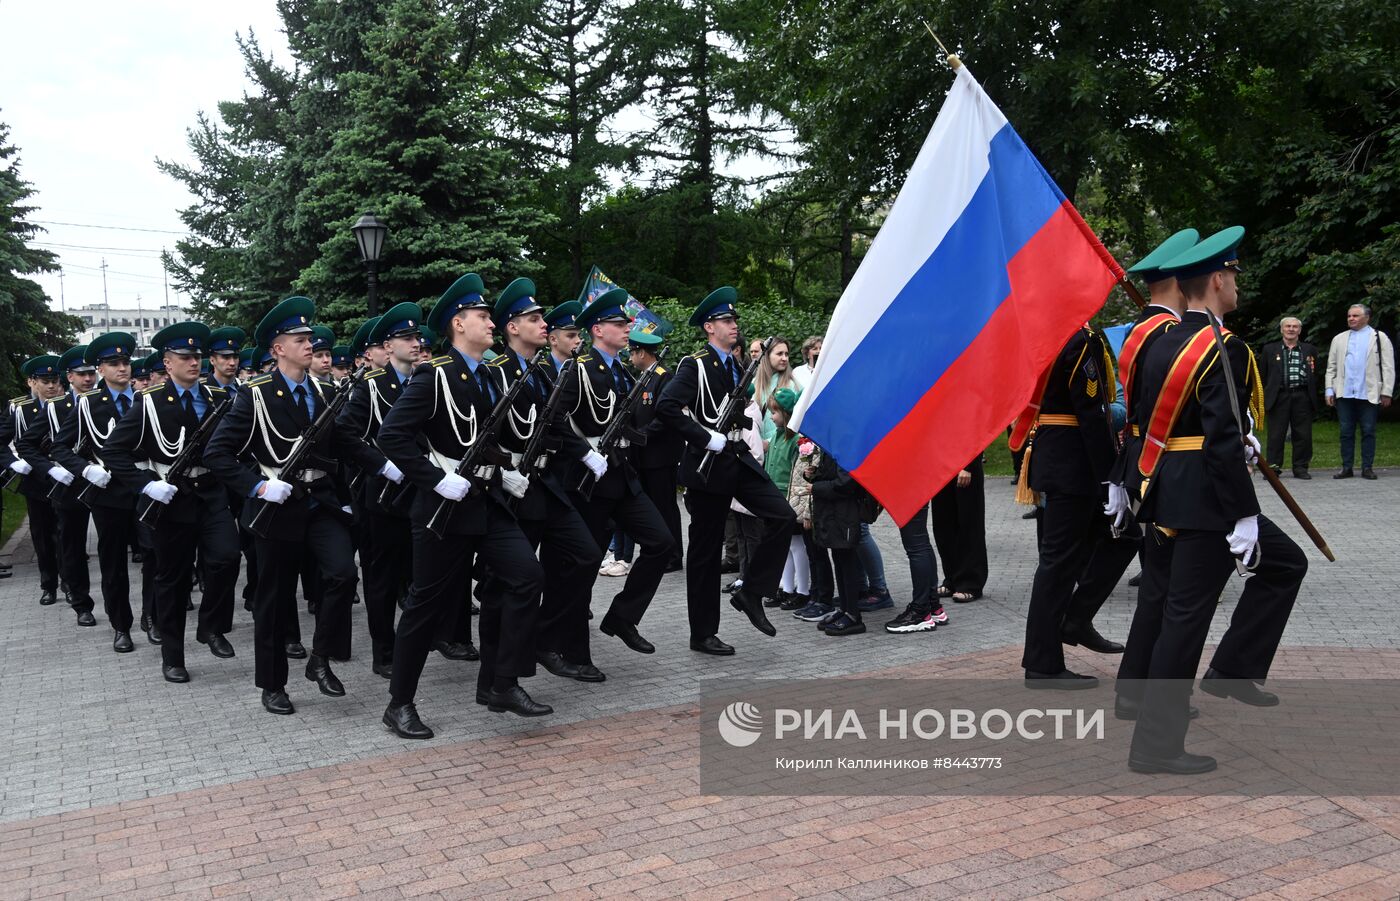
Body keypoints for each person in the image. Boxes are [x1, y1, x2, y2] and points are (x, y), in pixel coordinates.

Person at [1128, 226, 1307, 775]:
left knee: (1178, 610)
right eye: (1232, 275)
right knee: (1185, 620)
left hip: (1161, 488)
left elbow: (1150, 424)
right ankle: (1157, 745)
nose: (1236, 284)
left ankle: (1226, 674)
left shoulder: (1157, 339)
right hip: (1207, 498)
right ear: (1216, 279)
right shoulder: (1219, 344)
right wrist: (1245, 514)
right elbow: (1222, 441)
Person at [375, 273, 549, 738]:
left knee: (526, 577)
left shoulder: (492, 376)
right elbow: (392, 434)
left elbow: (489, 436)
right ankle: (400, 704)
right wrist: (435, 479)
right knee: (424, 608)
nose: (492, 322)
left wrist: (506, 469)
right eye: (483, 315)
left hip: (487, 501)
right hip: (443, 512)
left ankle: (502, 682)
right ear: (458, 323)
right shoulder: (433, 376)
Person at [205, 296, 359, 715]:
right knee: (274, 600)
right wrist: (256, 487)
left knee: (343, 575)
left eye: (310, 338)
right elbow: (218, 454)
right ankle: (273, 684)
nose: (309, 344)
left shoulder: (325, 391)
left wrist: (395, 468)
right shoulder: (254, 396)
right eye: (299, 339)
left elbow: (346, 445)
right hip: (276, 507)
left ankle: (321, 657)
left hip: (320, 503)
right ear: (278, 350)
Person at [656, 286, 796, 655]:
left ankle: (751, 592)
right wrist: (703, 438)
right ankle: (702, 633)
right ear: (709, 327)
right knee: (704, 552)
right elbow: (667, 407)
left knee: (782, 515)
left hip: (736, 457)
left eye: (734, 319)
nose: (734, 325)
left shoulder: (735, 363)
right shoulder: (694, 364)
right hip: (707, 465)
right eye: (726, 320)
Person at [104, 322, 241, 683]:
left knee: (227, 558)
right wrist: (146, 485)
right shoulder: (148, 403)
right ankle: (173, 656)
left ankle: (211, 627)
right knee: (173, 580)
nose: (194, 362)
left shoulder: (217, 398)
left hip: (211, 493)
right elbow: (113, 451)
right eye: (185, 357)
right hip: (172, 499)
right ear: (167, 362)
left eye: (197, 356)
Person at [554, 288, 676, 660]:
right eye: (619, 324)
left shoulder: (624, 372)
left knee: (661, 543)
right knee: (584, 564)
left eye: (626, 323)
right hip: (590, 483)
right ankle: (573, 651)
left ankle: (623, 617)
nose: (627, 329)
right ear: (597, 330)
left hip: (623, 477)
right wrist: (584, 453)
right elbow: (554, 420)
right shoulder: (579, 371)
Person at [1011, 324, 1118, 689]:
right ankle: (1042, 663)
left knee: (1120, 537)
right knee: (1057, 564)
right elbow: (1089, 410)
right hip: (1074, 461)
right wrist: (1109, 474)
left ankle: (1076, 618)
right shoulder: (1076, 337)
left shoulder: (1050, 334)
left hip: (1062, 455)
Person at [336, 303, 423, 680]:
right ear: (388, 348)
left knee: (418, 571)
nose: (415, 342)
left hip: (420, 490)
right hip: (383, 495)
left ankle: (417, 641)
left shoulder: (426, 380)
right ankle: (383, 651)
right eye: (406, 338)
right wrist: (380, 464)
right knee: (383, 579)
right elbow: (343, 433)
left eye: (416, 336)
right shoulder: (370, 386)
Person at [47, 333, 143, 653]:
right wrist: (86, 469)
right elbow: (60, 447)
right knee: (113, 563)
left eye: (126, 362)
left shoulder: (148, 399)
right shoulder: (89, 405)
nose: (122, 368)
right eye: (114, 364)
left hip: (147, 491)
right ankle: (121, 625)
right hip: (109, 493)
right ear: (101, 369)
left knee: (158, 556)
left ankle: (154, 617)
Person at [19, 345, 98, 627]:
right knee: (72, 545)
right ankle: (79, 601)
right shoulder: (57, 408)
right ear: (71, 377)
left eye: (91, 373)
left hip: (105, 483)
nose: (88, 379)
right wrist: (51, 469)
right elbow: (25, 444)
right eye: (82, 374)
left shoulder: (106, 402)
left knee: (113, 548)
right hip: (70, 485)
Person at [1, 356, 64, 605]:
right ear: (31, 382)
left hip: (64, 478)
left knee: (66, 534)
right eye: (45, 381)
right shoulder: (19, 409)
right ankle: (48, 584)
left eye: (54, 380)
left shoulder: (66, 405)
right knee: (42, 535)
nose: (51, 386)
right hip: (36, 480)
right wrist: (13, 462)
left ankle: (70, 582)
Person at [628, 327, 685, 572]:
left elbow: (665, 416)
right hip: (644, 454)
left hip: (660, 455)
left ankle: (673, 555)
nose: (630, 358)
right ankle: (656, 549)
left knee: (665, 506)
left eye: (632, 353)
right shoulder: (643, 378)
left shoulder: (663, 377)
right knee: (651, 506)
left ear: (642, 353)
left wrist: (642, 434)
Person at [805, 444, 875, 636]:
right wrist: (814, 474)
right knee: (839, 560)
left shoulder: (845, 447)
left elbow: (846, 483)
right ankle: (844, 609)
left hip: (844, 515)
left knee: (847, 563)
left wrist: (816, 487)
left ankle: (853, 615)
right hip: (834, 514)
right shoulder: (833, 446)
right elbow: (832, 476)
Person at [1325, 303, 1393, 479]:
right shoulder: (1339, 339)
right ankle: (1347, 467)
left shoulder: (1379, 337)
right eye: (1349, 316)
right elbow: (1331, 367)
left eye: (1355, 316)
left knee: (1368, 430)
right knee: (1346, 431)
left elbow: (1388, 366)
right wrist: (1329, 390)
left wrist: (1387, 391)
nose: (1351, 319)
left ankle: (1367, 468)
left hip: (1369, 393)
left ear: (1367, 318)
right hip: (1344, 393)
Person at [1260, 317, 1319, 479]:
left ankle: (1300, 468)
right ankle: (1273, 468)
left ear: (1299, 330)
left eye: (1294, 327)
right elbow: (1263, 375)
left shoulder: (1309, 349)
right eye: (1288, 326)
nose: (1291, 329)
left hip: (1302, 396)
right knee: (1275, 434)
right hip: (1279, 396)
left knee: (1303, 434)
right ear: (1281, 330)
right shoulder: (1270, 349)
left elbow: (1315, 374)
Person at [929, 455, 988, 603]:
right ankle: (952, 579)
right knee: (943, 527)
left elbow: (977, 434)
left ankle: (971, 583)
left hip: (965, 464)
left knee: (969, 526)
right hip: (941, 466)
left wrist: (968, 466)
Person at [752, 337, 795, 446]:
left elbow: (795, 424)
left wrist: (769, 443)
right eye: (779, 354)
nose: (784, 358)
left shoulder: (792, 385)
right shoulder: (755, 383)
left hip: (781, 449)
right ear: (767, 356)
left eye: (786, 354)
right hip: (757, 451)